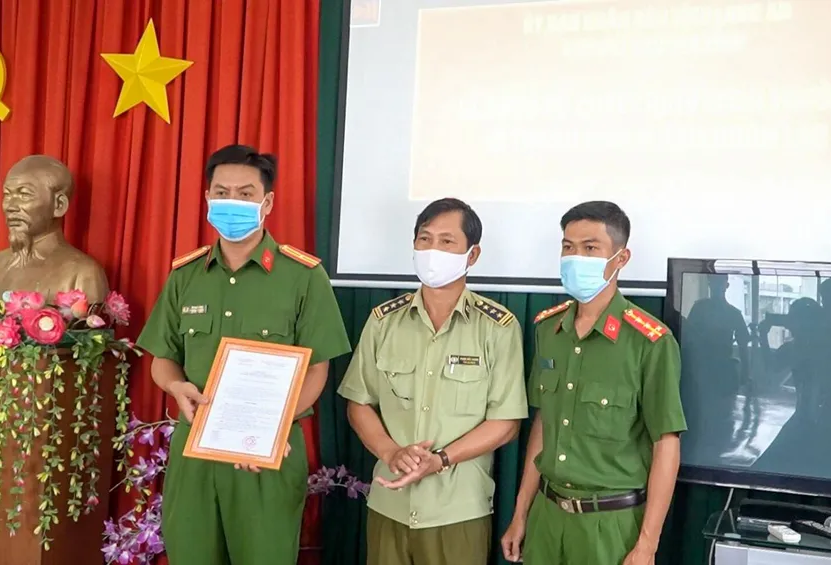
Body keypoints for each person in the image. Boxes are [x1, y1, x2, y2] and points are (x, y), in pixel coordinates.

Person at [136, 144, 352, 565]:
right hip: (194, 451)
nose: (231, 201)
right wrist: (176, 386)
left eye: (245, 193)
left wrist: (272, 427)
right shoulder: (186, 275)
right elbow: (162, 359)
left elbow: (317, 369)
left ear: (266, 203)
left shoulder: (303, 277)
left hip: (266, 455)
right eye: (222, 192)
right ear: (207, 198)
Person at [338, 197, 528, 565]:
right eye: (424, 239)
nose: (432, 250)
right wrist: (391, 452)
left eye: (446, 241)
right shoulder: (383, 321)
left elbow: (506, 423)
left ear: (472, 255)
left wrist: (440, 460)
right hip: (389, 505)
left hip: (458, 511)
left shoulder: (497, 328)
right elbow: (358, 402)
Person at [501, 201, 686, 565]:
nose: (576, 258)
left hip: (610, 526)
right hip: (547, 516)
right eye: (568, 247)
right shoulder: (548, 329)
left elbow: (666, 443)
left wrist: (647, 544)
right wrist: (521, 512)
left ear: (621, 258)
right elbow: (544, 424)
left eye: (590, 248)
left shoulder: (650, 341)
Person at [0, 155, 109, 302]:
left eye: (24, 195)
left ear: (59, 205)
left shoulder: (83, 274)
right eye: (7, 195)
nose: (10, 207)